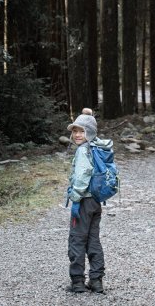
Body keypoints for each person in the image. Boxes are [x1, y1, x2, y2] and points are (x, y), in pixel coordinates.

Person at [66, 107, 111, 294]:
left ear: (90, 132)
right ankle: (96, 280)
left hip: (83, 202)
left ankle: (77, 282)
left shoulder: (83, 151)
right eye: (75, 131)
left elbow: (83, 174)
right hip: (95, 201)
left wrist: (75, 197)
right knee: (93, 240)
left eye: (81, 131)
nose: (77, 134)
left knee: (77, 239)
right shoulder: (97, 147)